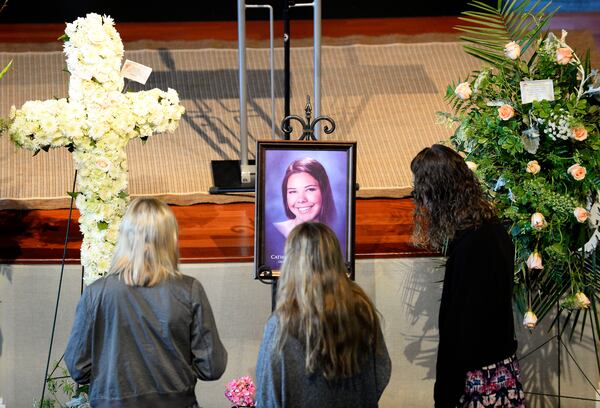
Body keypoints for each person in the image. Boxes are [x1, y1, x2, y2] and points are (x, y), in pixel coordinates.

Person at [64, 197, 227, 407]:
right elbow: (212, 368)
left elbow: (78, 367)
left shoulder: (96, 293)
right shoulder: (189, 291)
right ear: (170, 238)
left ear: (125, 236)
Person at [410, 144, 524, 408]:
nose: (421, 201)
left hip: (478, 378)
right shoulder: (492, 230)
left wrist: (446, 392)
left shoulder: (472, 244)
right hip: (500, 368)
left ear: (438, 192)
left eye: (422, 190)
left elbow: (463, 329)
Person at [256, 222, 391, 407]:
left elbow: (267, 399)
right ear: (336, 258)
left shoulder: (281, 325)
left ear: (291, 263)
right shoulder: (363, 310)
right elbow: (381, 374)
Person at [273, 157, 337, 238]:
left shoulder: (338, 233)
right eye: (293, 191)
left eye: (310, 189)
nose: (301, 199)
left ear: (324, 191)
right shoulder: (273, 232)